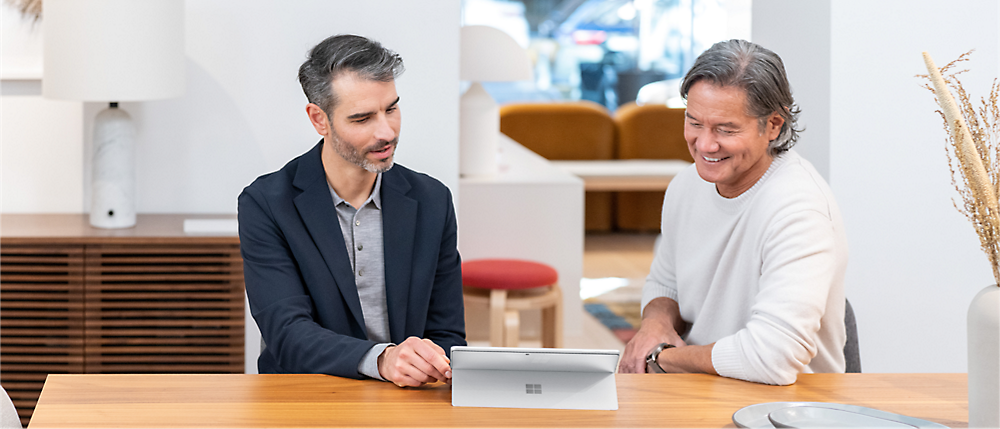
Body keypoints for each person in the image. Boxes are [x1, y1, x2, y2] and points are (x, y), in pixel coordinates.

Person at [238, 34, 465, 387]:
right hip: (305, 396)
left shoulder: (432, 199)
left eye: (391, 108)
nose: (386, 132)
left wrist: (433, 366)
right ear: (319, 119)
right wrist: (383, 359)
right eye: (362, 119)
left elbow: (447, 333)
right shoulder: (267, 203)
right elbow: (286, 333)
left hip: (404, 398)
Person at [617, 39, 848, 385]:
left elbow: (773, 358)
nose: (706, 145)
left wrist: (661, 358)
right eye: (694, 123)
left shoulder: (799, 209)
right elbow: (666, 283)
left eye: (726, 129)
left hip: (786, 404)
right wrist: (656, 324)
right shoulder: (686, 185)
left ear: (773, 125)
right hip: (699, 387)